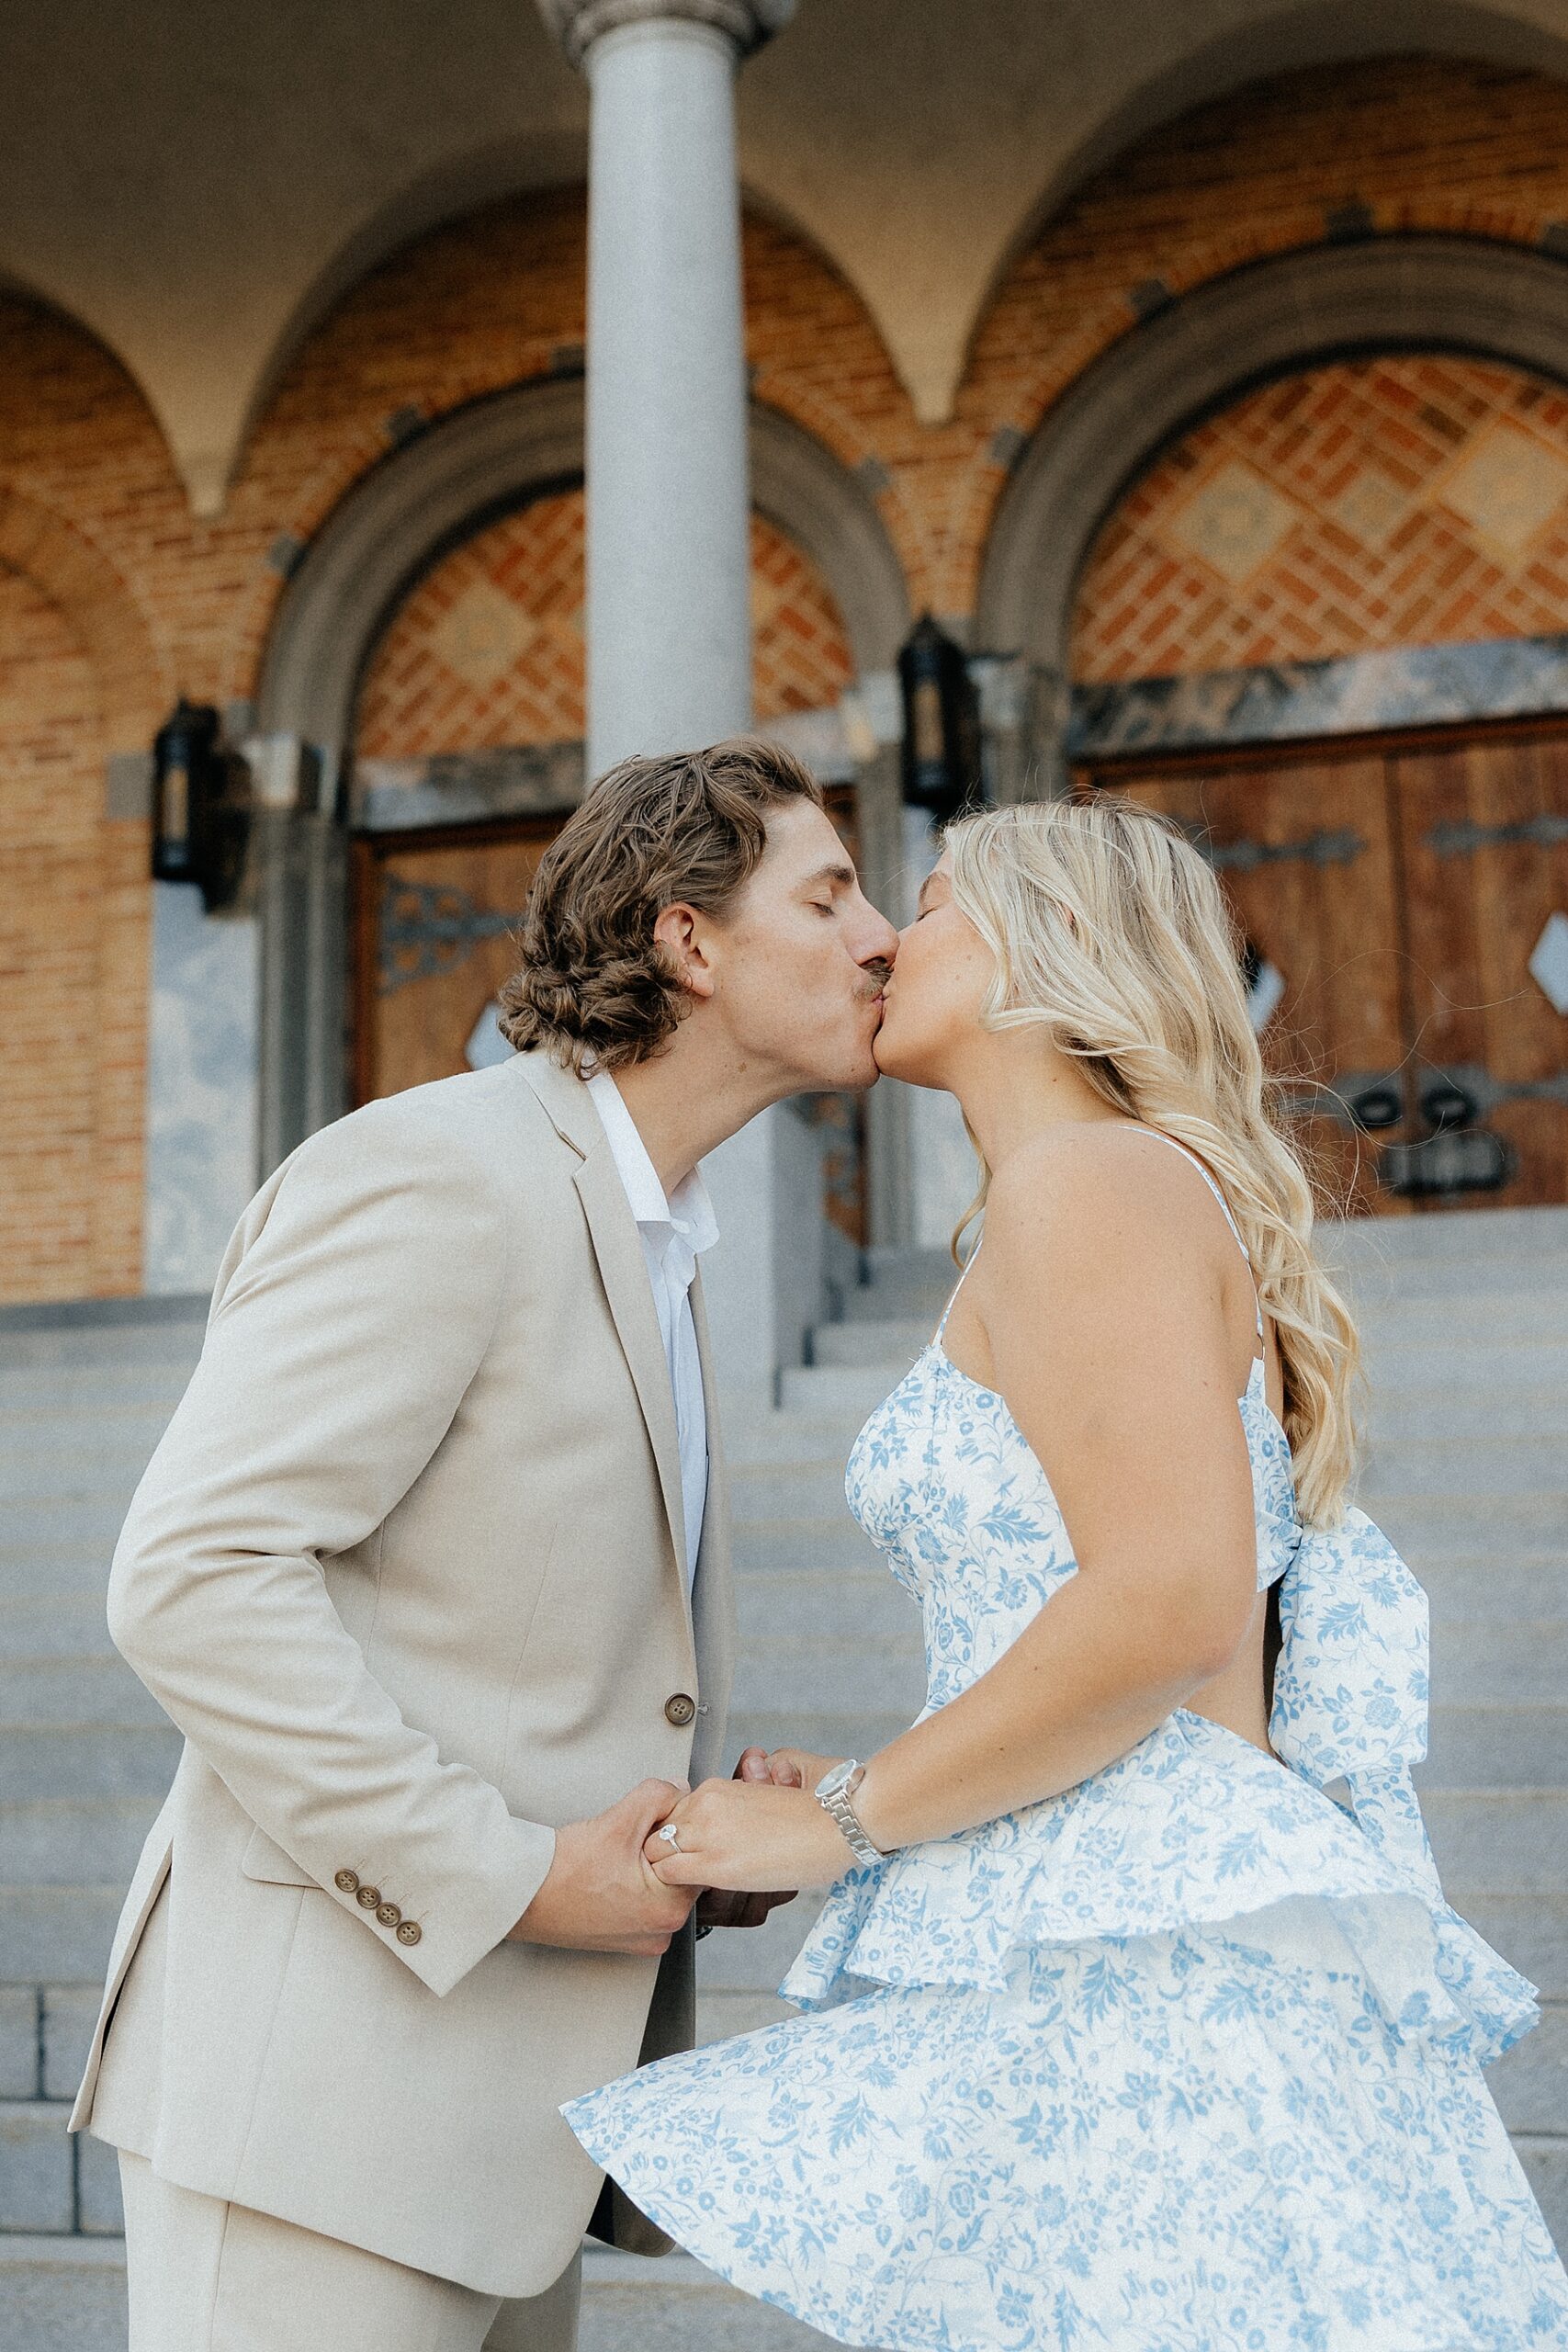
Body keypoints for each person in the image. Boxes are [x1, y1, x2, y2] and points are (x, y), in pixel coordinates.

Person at [564, 795, 1568, 2351]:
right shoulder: (1099, 1193)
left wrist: (842, 1820)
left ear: (1062, 950)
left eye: (938, 901)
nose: (888, 938)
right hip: (1123, 1917)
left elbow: (1168, 1603)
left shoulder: (1086, 1185)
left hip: (1149, 1984)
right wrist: (895, 1778)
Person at [68, 739, 899, 2352]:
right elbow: (192, 1580)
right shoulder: (438, 1174)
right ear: (689, 941)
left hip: (508, 2134)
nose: (879, 935)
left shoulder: (663, 1238)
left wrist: (677, 1842)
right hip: (320, 2116)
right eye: (829, 891)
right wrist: (514, 1876)